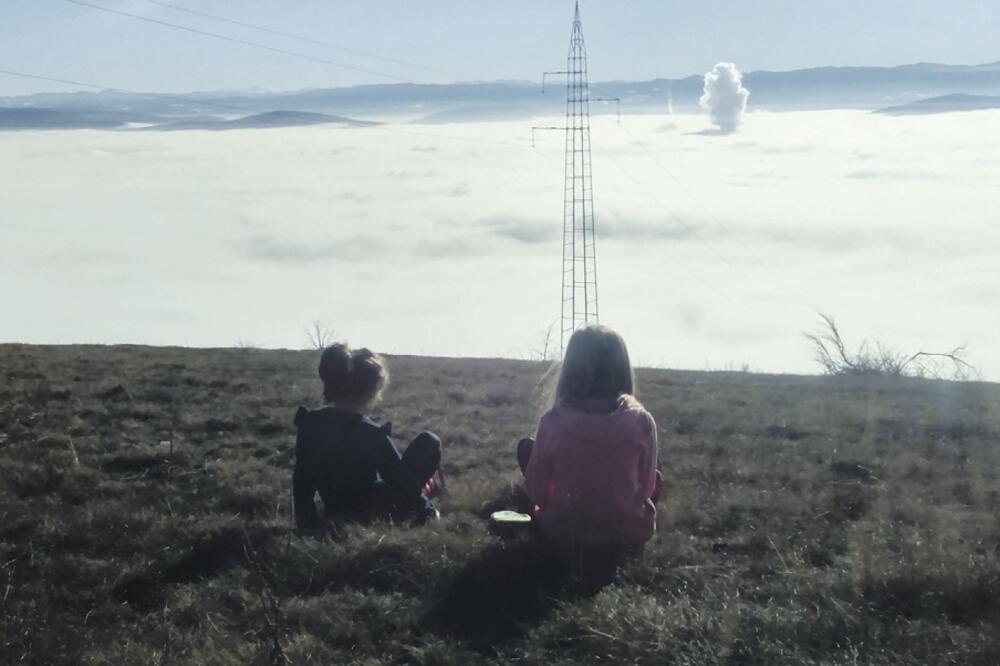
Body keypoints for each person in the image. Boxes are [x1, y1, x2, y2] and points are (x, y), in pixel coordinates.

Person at [518, 325, 663, 579]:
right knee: (655, 470)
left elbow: (537, 491)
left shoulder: (552, 421)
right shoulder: (642, 422)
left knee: (527, 450)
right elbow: (645, 488)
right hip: (627, 536)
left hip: (562, 533)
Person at [293, 343, 441, 529]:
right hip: (375, 511)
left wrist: (306, 522)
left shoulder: (310, 425)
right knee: (429, 442)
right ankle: (424, 493)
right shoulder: (371, 434)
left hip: (334, 508)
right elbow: (400, 481)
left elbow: (302, 481)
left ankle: (425, 491)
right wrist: (428, 511)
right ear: (369, 391)